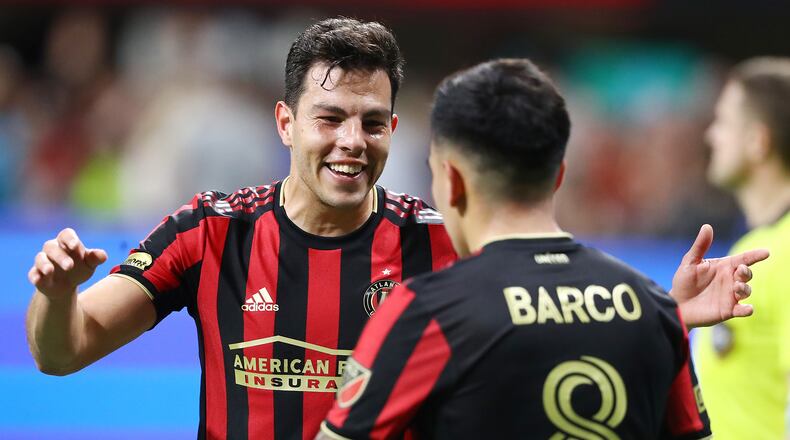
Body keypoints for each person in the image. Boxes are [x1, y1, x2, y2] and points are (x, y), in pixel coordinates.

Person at [26, 18, 762, 440]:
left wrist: (663, 312)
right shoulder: (210, 231)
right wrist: (57, 297)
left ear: (394, 130)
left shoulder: (441, 241)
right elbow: (63, 353)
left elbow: (556, 300)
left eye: (372, 122)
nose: (352, 141)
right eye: (330, 118)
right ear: (285, 123)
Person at [318, 59, 768, 440]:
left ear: (452, 181)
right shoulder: (652, 309)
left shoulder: (426, 313)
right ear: (559, 176)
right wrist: (665, 318)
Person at [696, 57, 790, 439]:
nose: (711, 135)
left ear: (757, 142)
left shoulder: (784, 252)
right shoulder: (757, 244)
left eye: (723, 122)